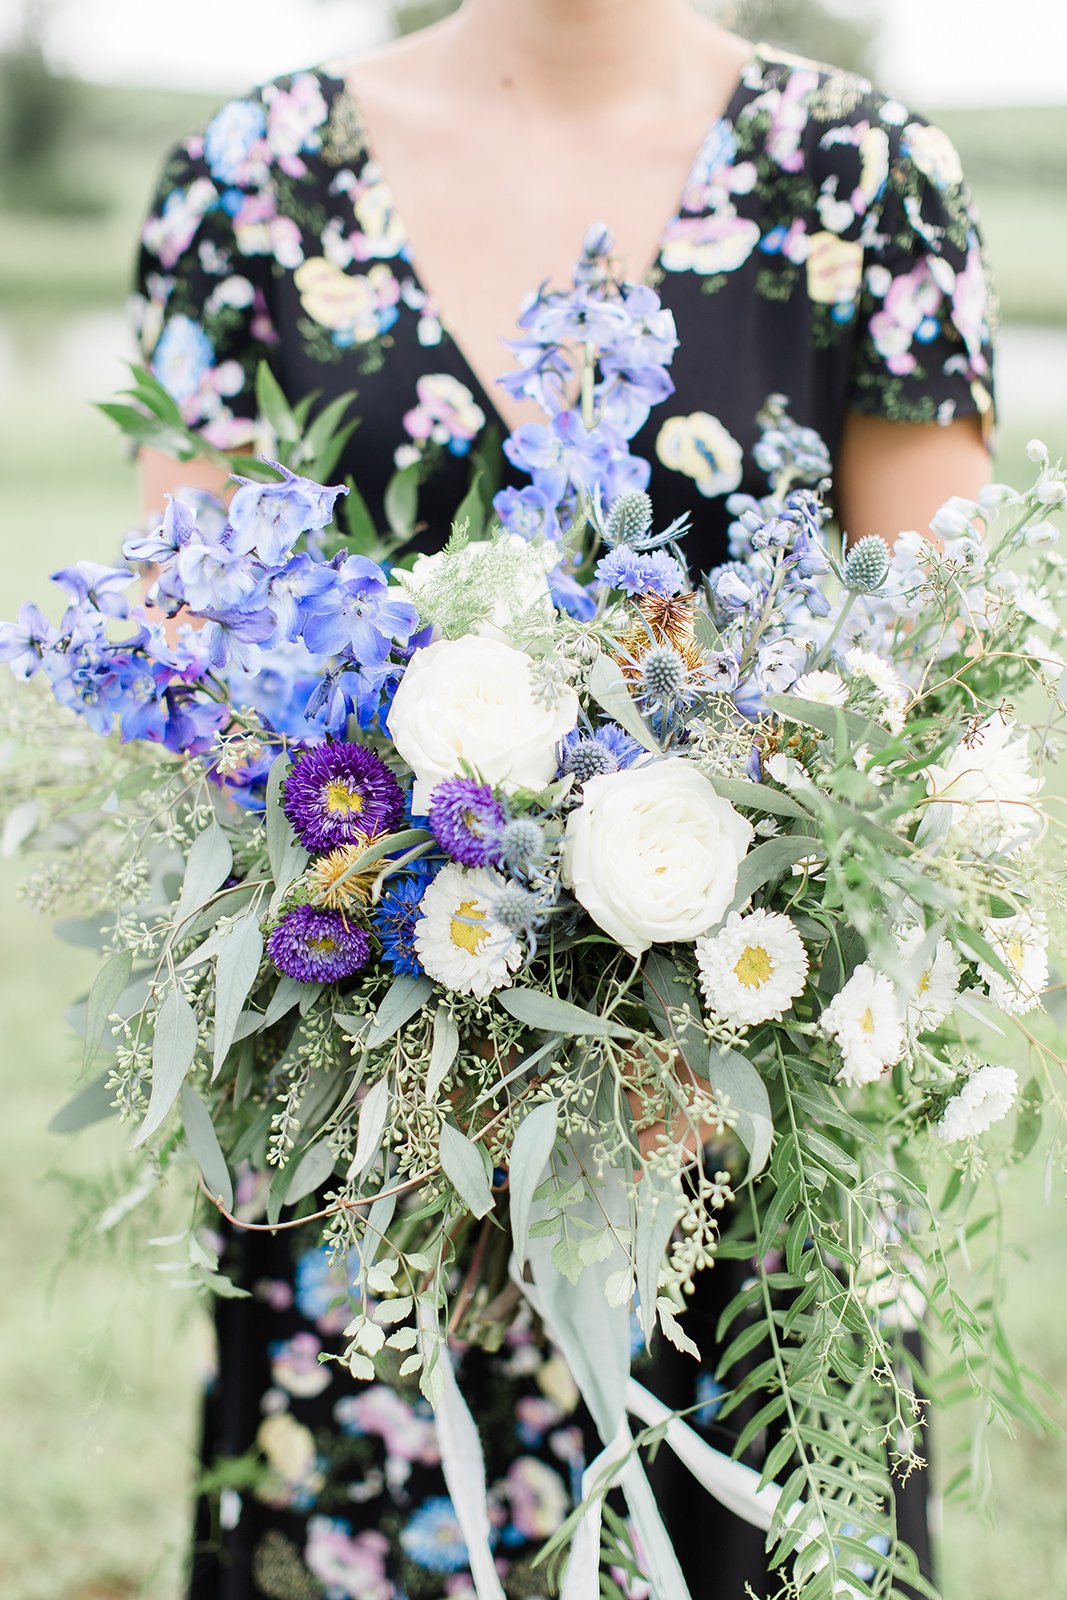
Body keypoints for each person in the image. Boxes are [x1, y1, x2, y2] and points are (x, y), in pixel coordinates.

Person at [133, 2, 996, 1595]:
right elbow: (191, 690)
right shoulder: (249, 185)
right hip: (370, 1159)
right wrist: (430, 995)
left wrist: (662, 990)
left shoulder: (865, 179)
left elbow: (925, 721)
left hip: (740, 1167)